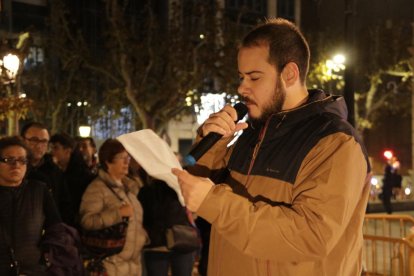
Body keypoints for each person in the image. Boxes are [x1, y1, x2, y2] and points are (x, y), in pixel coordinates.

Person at [172, 18, 371, 276]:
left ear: (289, 74)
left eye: (254, 77)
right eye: (241, 77)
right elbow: (201, 191)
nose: (242, 88)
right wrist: (213, 145)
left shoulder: (336, 142)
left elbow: (310, 236)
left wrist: (214, 202)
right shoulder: (253, 133)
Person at [79, 138, 148, 275]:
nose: (126, 162)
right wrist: (118, 213)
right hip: (110, 266)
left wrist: (142, 236)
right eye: (122, 158)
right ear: (108, 162)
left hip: (134, 265)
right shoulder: (97, 188)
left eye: (128, 157)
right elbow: (87, 221)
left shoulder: (129, 189)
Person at [0, 136, 61, 275]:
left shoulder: (39, 190)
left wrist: (47, 254)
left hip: (33, 270)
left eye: (22, 160)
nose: (16, 165)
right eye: (9, 160)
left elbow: (56, 227)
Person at [138, 175, 197, 276]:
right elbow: (194, 211)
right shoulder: (180, 189)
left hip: (155, 244)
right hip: (182, 240)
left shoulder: (145, 192)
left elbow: (140, 218)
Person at [21, 122, 74, 225]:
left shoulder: (55, 172)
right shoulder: (14, 169)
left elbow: (64, 205)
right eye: (34, 140)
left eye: (44, 141)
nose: (39, 145)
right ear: (23, 140)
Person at [50, 133, 95, 227]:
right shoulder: (57, 172)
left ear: (67, 151)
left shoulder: (81, 176)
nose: (52, 152)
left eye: (56, 148)